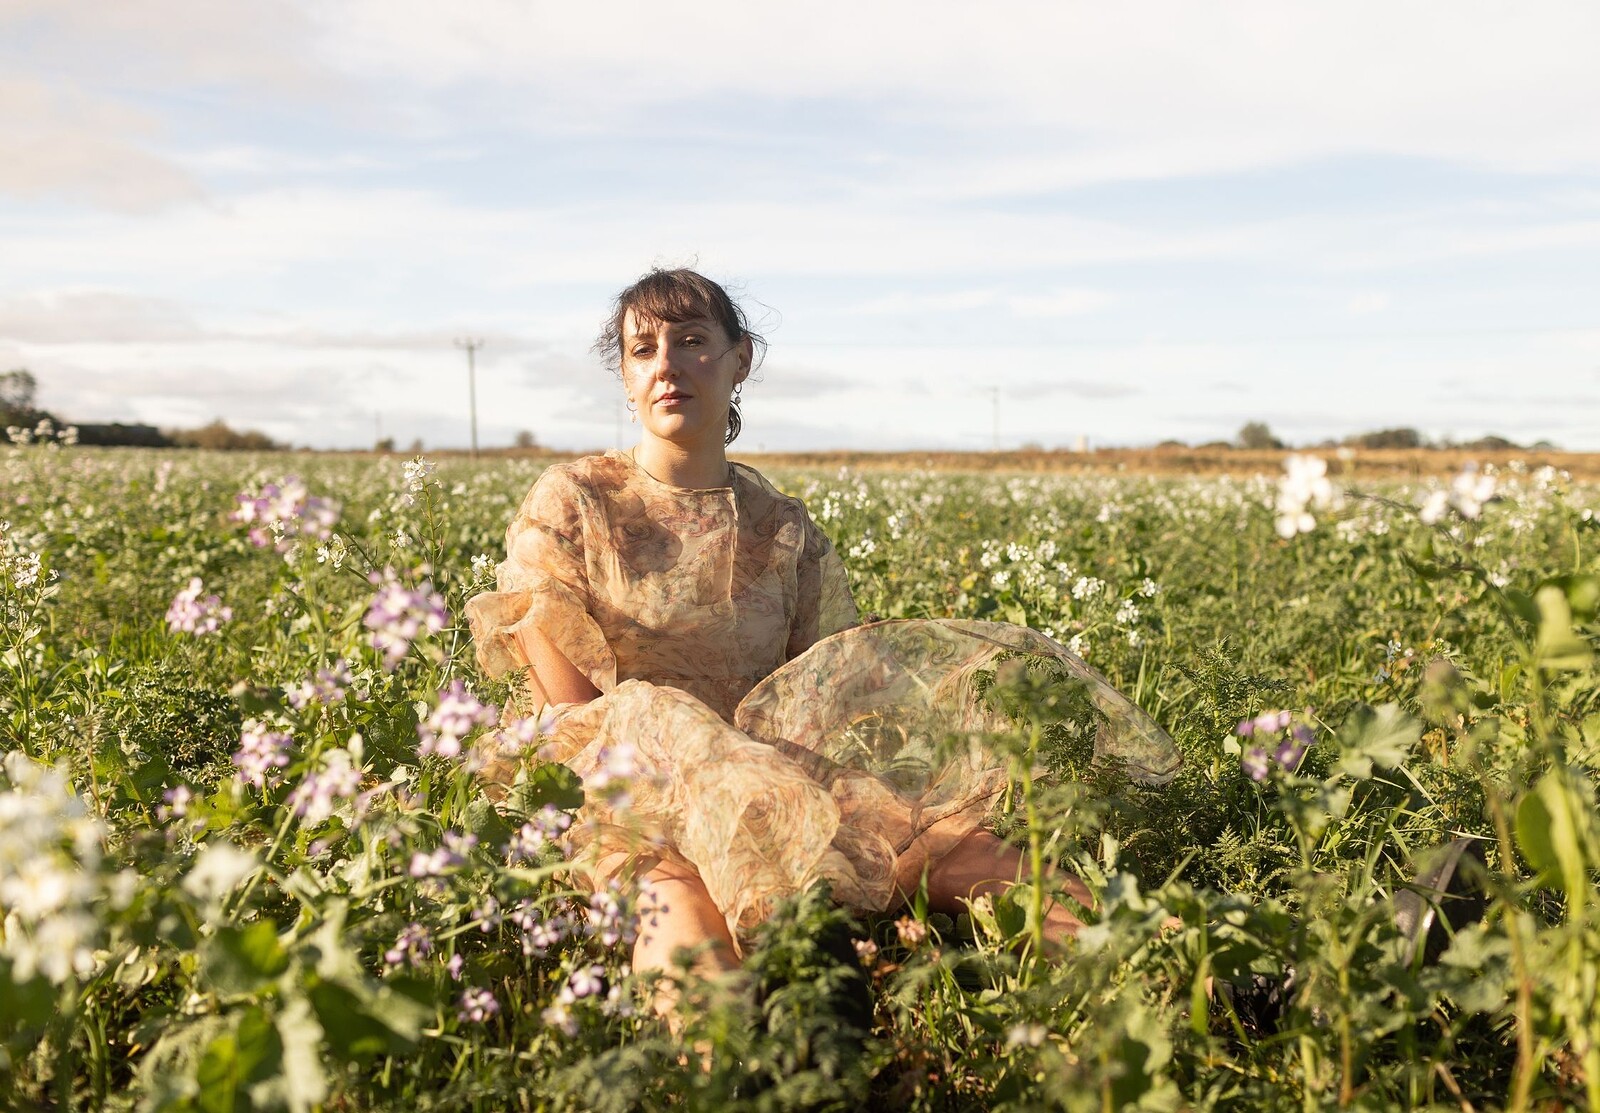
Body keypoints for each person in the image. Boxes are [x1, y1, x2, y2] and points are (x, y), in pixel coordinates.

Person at [465, 267, 1181, 1020]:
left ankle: (1177, 962)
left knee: (955, 846)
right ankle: (737, 1066)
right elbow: (573, 718)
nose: (667, 364)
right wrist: (702, 780)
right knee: (678, 900)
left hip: (775, 777)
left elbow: (828, 691)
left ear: (741, 360)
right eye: (643, 349)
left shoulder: (782, 526)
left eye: (692, 340)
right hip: (624, 786)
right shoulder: (575, 501)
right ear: (626, 377)